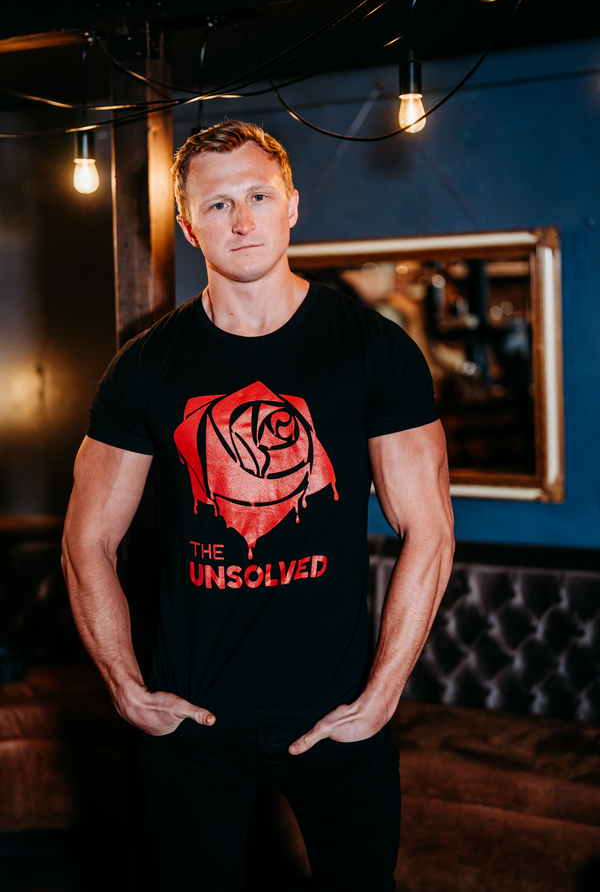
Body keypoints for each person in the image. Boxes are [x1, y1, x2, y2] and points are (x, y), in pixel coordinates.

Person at [62, 120, 454, 892]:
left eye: (258, 196)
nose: (241, 220)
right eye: (217, 205)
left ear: (292, 205)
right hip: (192, 725)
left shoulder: (371, 348)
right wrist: (125, 687)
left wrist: (382, 695)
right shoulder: (145, 369)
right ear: (188, 226)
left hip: (337, 719)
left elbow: (429, 530)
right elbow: (87, 542)